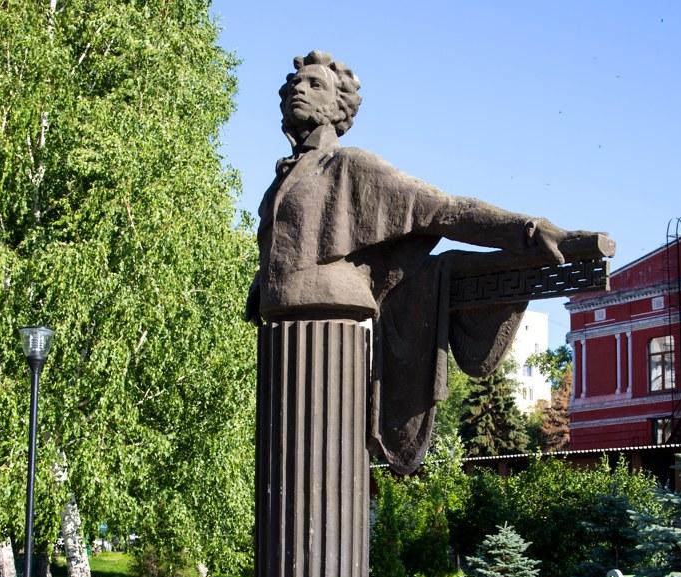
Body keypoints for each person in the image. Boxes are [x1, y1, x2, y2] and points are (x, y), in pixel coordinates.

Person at [245, 50, 606, 473]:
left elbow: (444, 210)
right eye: (294, 84)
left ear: (338, 106)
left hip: (332, 335)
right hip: (282, 335)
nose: (298, 90)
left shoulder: (350, 165)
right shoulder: (282, 181)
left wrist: (528, 229)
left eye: (314, 84)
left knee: (322, 472)